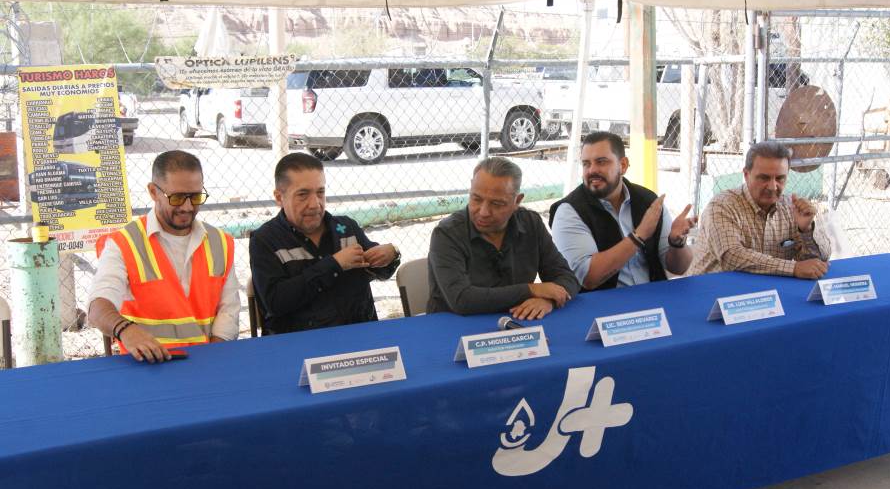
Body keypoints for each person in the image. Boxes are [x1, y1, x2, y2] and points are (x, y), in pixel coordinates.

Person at [88, 150, 240, 363]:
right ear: (153, 192)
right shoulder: (124, 244)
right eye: (177, 198)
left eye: (195, 197)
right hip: (147, 365)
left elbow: (229, 310)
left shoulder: (220, 242)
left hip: (208, 360)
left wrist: (212, 358)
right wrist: (126, 330)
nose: (187, 207)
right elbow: (98, 307)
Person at [249, 153, 400, 335]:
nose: (315, 204)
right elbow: (275, 303)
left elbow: (378, 270)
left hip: (361, 337)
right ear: (279, 197)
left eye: (320, 192)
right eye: (303, 195)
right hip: (299, 346)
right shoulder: (265, 240)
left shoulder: (346, 227)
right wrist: (334, 264)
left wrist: (391, 255)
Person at [427, 157, 580, 320]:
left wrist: (548, 299)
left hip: (518, 322)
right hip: (453, 327)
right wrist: (531, 290)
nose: (484, 211)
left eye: (497, 204)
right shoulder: (447, 234)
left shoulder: (531, 224)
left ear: (517, 201)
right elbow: (462, 300)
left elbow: (568, 278)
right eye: (476, 199)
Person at [550, 131, 695, 291]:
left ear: (623, 165)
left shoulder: (647, 200)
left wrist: (676, 242)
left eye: (601, 162)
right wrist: (638, 236)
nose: (591, 170)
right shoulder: (569, 211)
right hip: (600, 307)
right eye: (586, 164)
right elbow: (588, 278)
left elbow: (678, 268)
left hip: (653, 302)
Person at [688, 141, 831, 279]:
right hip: (712, 293)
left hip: (766, 295)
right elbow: (732, 257)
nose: (773, 187)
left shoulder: (791, 207)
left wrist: (806, 230)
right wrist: (793, 268)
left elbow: (818, 261)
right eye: (764, 178)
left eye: (780, 178)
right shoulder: (722, 206)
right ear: (746, 174)